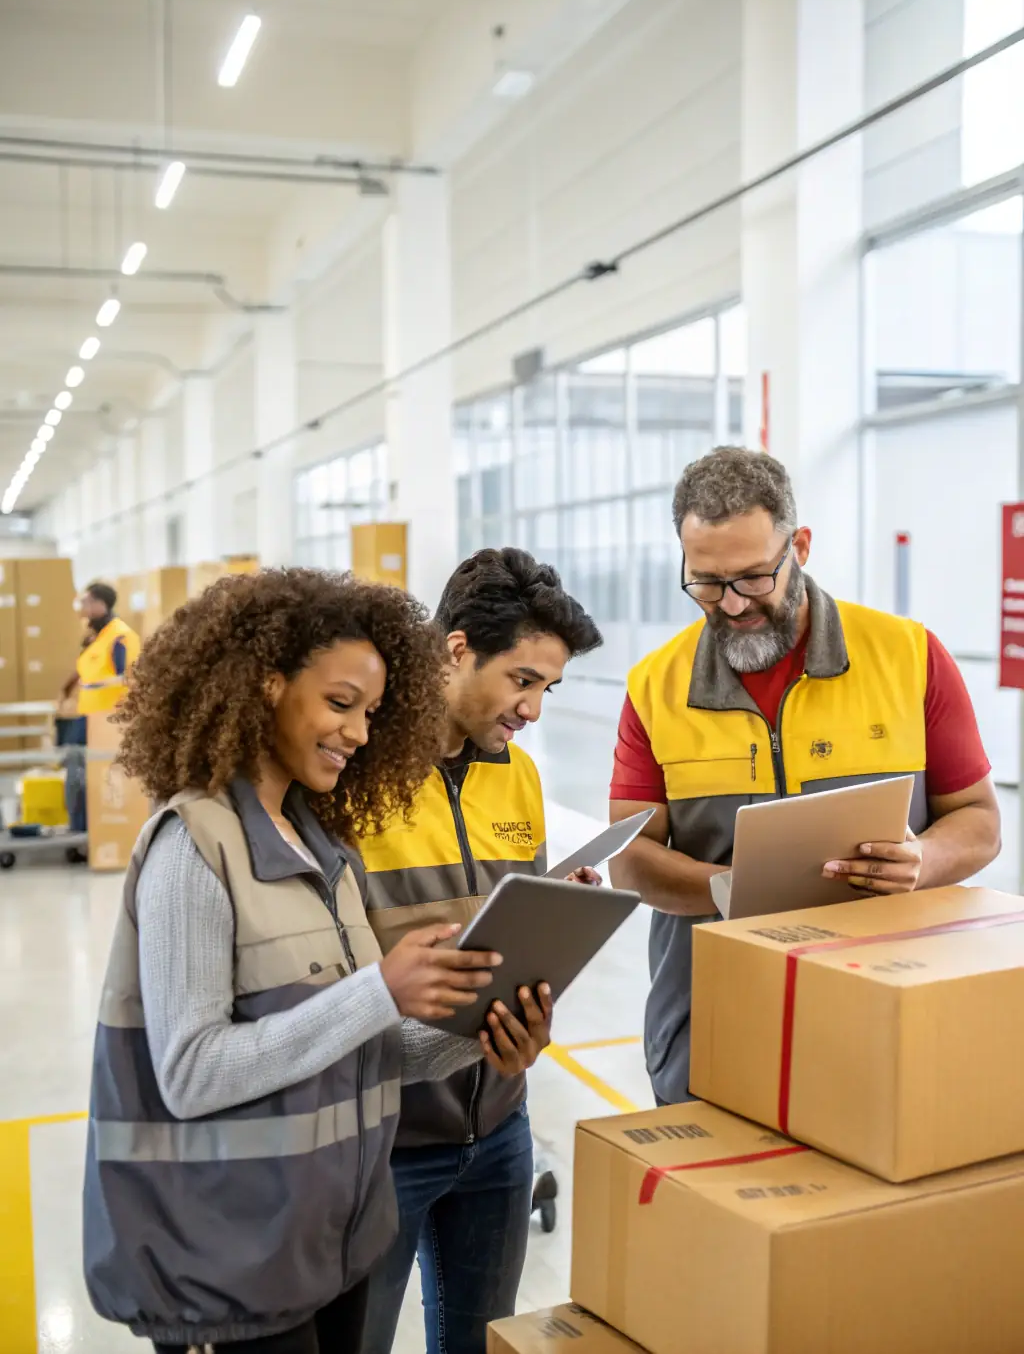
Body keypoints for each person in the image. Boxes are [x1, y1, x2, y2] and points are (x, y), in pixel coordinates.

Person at [82, 568, 549, 1354]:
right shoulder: (193, 844)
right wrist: (380, 990)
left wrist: (484, 1036)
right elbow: (193, 1071)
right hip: (227, 1266)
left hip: (324, 1244)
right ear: (265, 687)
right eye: (340, 705)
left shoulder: (318, 843)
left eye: (370, 712)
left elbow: (357, 1053)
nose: (360, 734)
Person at [609, 447, 1001, 1107]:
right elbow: (631, 859)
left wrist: (925, 858)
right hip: (713, 1013)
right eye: (706, 581)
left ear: (803, 547)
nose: (732, 604)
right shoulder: (656, 685)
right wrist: (734, 888)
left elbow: (980, 821)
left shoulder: (908, 656)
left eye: (755, 577)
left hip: (881, 996)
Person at [359, 547, 603, 1354]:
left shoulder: (519, 777)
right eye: (522, 680)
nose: (532, 709)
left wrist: (561, 920)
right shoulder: (353, 776)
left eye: (547, 689)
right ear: (457, 648)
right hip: (381, 1140)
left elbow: (511, 941)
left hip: (499, 1127)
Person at [58, 582, 140, 832]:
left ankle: (88, 833)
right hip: (89, 718)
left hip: (107, 722)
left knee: (92, 778)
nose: (81, 607)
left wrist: (94, 687)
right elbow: (90, 669)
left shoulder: (119, 636)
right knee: (77, 773)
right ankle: (80, 830)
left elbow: (126, 676)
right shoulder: (99, 636)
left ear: (100, 604)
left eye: (86, 602)